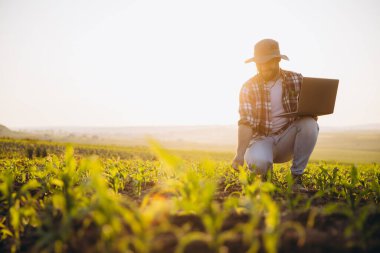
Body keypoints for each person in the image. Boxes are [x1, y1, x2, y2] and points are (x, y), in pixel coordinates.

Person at [231, 38, 319, 192]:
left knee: (310, 124)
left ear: (278, 60)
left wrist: (313, 110)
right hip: (261, 140)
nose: (264, 68)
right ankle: (266, 175)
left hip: (287, 139)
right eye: (260, 64)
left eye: (268, 62)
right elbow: (246, 122)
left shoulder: (296, 79)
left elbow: (310, 111)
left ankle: (296, 179)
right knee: (259, 163)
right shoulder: (248, 87)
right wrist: (239, 154)